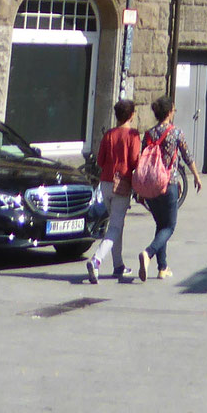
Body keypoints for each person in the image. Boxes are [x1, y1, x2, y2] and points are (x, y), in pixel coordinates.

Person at [137, 93, 203, 281]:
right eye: (173, 109)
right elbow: (187, 156)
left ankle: (162, 267)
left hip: (151, 186)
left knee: (160, 225)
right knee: (170, 226)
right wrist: (197, 177)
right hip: (169, 184)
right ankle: (148, 253)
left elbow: (143, 159)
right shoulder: (175, 132)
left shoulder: (149, 134)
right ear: (169, 112)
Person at [87, 98, 142, 283]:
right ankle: (96, 260)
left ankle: (118, 265)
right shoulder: (133, 135)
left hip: (106, 184)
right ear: (131, 115)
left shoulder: (109, 134)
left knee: (116, 224)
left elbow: (100, 161)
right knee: (116, 227)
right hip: (122, 185)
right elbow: (135, 161)